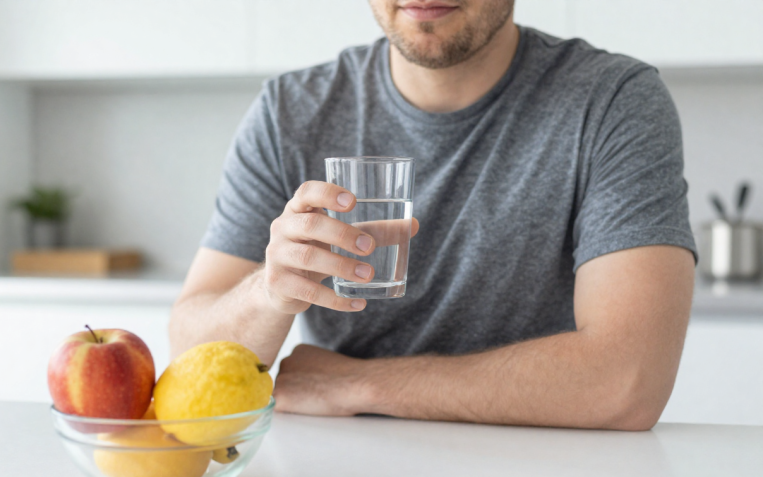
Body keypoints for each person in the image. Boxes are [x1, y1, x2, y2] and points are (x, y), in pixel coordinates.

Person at [169, 0, 697, 430]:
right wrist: (269, 293)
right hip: (342, 475)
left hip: (545, 471)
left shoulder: (612, 101)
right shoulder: (290, 112)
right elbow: (190, 352)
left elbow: (629, 382)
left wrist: (362, 384)